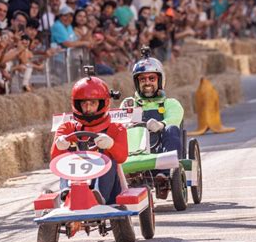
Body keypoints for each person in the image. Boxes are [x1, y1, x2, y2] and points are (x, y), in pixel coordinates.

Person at [51, 74, 128, 205]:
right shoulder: (66, 128)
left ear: (102, 103)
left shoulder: (116, 128)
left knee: (109, 158)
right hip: (76, 185)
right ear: (77, 104)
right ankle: (67, 192)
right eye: (84, 103)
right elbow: (54, 160)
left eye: (92, 103)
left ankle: (98, 194)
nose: (88, 108)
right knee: (65, 158)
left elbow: (122, 157)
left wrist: (111, 145)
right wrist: (60, 145)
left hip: (110, 192)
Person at [120, 47, 184, 180]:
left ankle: (165, 175)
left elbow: (175, 119)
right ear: (137, 83)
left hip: (160, 155)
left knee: (171, 129)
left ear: (159, 80)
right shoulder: (129, 104)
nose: (147, 82)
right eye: (142, 80)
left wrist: (161, 125)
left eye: (151, 78)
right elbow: (119, 123)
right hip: (133, 156)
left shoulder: (170, 103)